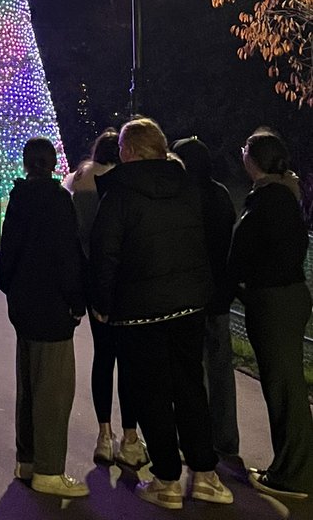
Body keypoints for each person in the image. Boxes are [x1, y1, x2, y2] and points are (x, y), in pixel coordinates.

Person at [90, 117, 232, 509]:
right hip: (188, 305)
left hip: (139, 311)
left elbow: (106, 255)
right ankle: (205, 473)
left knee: (151, 392)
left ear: (130, 151)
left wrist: (102, 304)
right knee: (190, 388)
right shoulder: (187, 187)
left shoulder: (118, 193)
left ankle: (167, 478)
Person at [0, 136, 89, 498]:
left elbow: (9, 258)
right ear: (52, 163)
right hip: (53, 307)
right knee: (53, 388)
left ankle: (28, 459)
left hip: (24, 305)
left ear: (25, 163)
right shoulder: (59, 201)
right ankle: (50, 470)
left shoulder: (18, 198)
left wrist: (14, 291)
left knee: (29, 385)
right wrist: (76, 300)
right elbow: (68, 255)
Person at [227, 129, 313, 501]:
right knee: (287, 385)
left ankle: (294, 474)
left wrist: (239, 287)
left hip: (273, 303)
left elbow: (243, 254)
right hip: (288, 298)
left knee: (284, 389)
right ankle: (290, 466)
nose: (242, 153)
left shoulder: (267, 201)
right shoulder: (285, 196)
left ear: (254, 159)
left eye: (246, 148)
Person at [64, 129, 146, 470]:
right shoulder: (127, 185)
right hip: (125, 281)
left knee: (103, 356)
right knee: (129, 360)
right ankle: (130, 437)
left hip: (90, 276)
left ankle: (103, 434)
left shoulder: (79, 181)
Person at [171, 137, 240, 468]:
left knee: (189, 372)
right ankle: (225, 438)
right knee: (221, 366)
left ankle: (193, 439)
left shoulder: (182, 198)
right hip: (219, 294)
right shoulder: (221, 194)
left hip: (190, 296)